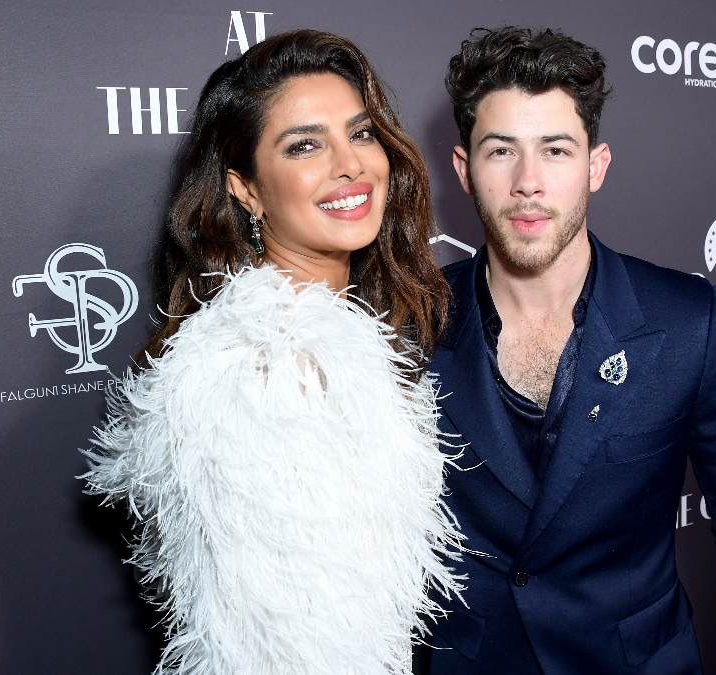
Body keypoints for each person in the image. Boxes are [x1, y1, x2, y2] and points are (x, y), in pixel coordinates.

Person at [418, 27, 716, 674]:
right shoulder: (407, 321)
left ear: (596, 164)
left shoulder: (685, 321)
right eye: (501, 151)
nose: (528, 182)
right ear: (463, 168)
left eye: (556, 150)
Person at [83, 30, 464, 675]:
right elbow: (289, 647)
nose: (353, 165)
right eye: (306, 145)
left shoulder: (336, 338)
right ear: (246, 190)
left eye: (362, 133)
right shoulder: (263, 365)